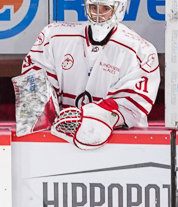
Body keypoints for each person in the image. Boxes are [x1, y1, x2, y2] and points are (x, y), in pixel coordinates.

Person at [21, 0, 159, 150]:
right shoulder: (53, 37)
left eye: (105, 8)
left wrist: (94, 118)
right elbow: (33, 94)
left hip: (121, 146)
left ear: (120, 9)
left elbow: (131, 104)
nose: (98, 14)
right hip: (61, 140)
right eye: (94, 7)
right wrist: (42, 113)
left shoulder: (141, 52)